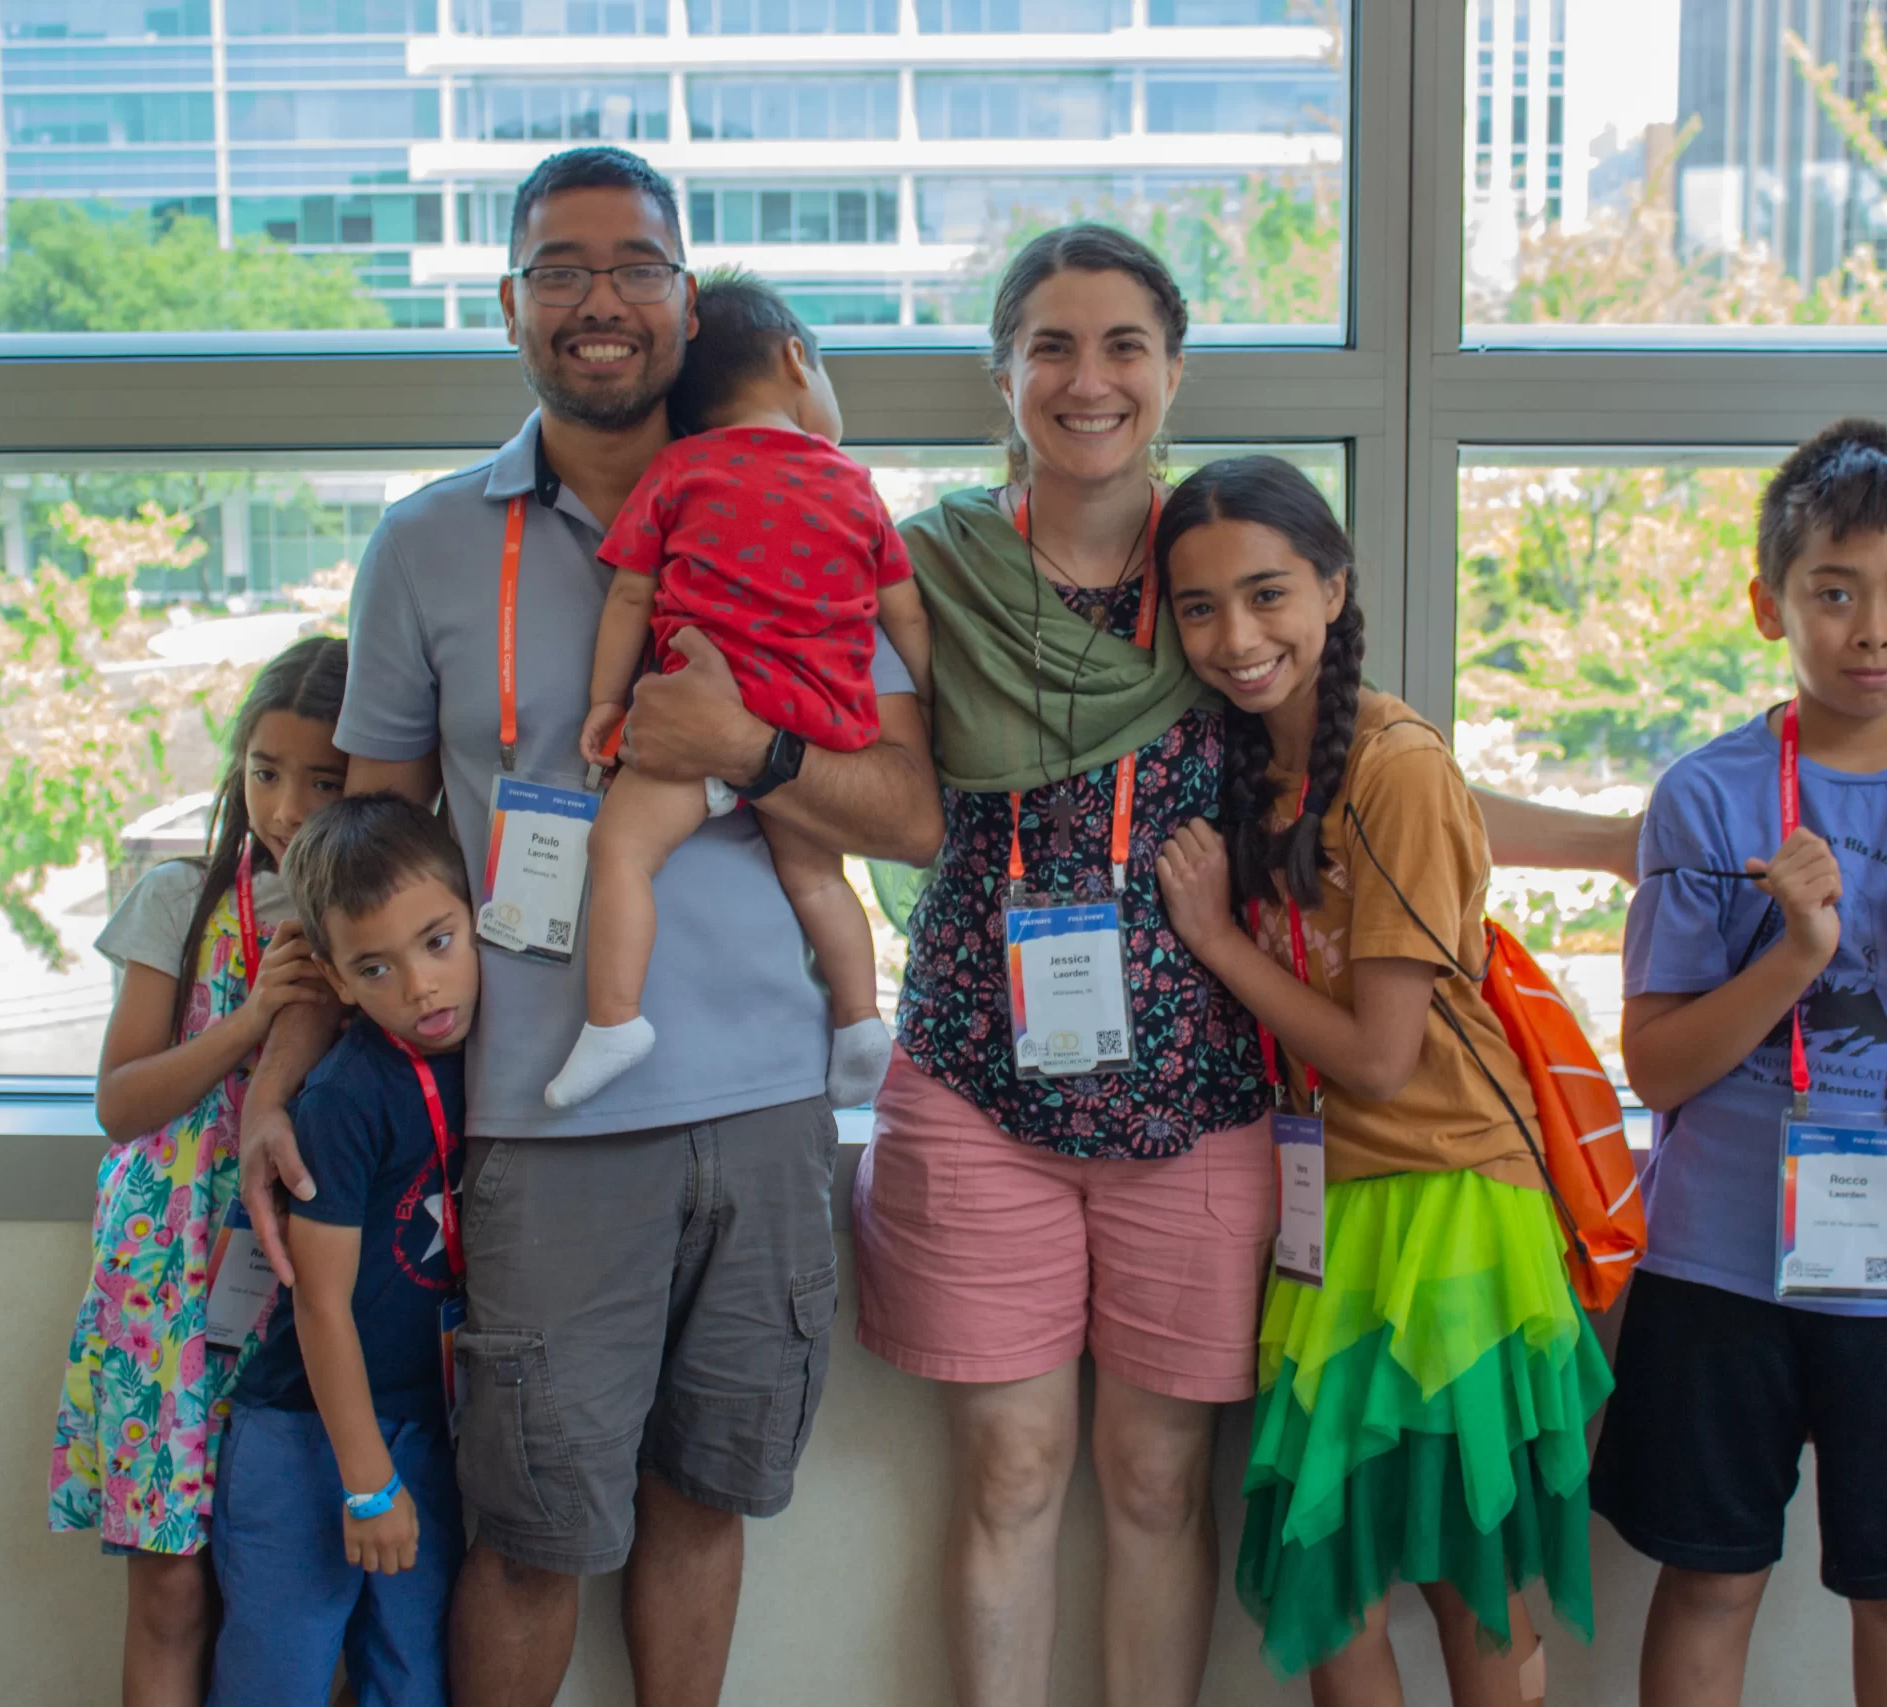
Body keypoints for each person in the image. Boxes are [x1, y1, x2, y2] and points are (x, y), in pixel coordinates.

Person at [851, 224, 1642, 1707]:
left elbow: (1377, 775)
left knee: (1161, 1474)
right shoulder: (930, 572)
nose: (1089, 380)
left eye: (1124, 345)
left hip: (1210, 1100)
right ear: (1004, 372)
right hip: (978, 1070)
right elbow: (865, 779)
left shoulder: (1218, 566)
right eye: (1053, 346)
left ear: (1173, 370)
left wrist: (1612, 837)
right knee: (1011, 1465)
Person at [236, 146, 941, 1707]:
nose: (599, 299)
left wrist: (745, 752)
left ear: (689, 306)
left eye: (635, 266)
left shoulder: (820, 511)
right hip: (539, 1121)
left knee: (705, 1497)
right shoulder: (426, 545)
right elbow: (357, 861)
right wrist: (280, 1080)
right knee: (535, 1528)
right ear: (509, 306)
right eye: (560, 268)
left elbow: (914, 814)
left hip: (768, 1102)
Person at [1596, 419, 1887, 1707]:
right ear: (1769, 606)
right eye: (1834, 593)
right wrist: (1792, 960)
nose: (1873, 630)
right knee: (1710, 1580)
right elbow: (1656, 1067)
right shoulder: (1706, 798)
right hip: (1718, 1270)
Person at [1150, 455, 1611, 1706]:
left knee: (1473, 1582)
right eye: (1200, 607)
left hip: (1451, 1205)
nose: (1237, 637)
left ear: (1333, 588)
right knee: (1332, 1579)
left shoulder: (1392, 760)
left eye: (1267, 595)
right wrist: (1607, 840)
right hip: (1331, 1212)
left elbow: (1375, 1053)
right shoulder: (1264, 757)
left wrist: (1217, 940)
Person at [554, 270, 933, 1110]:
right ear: (797, 360)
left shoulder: (680, 468)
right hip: (813, 723)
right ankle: (861, 1024)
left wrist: (606, 703)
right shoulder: (852, 484)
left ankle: (614, 1020)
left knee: (621, 853)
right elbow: (902, 608)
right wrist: (932, 692)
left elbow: (629, 594)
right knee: (819, 881)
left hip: (690, 716)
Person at [50, 636, 347, 1707]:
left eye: (324, 780)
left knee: (296, 1589)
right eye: (266, 771)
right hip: (164, 1289)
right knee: (172, 1590)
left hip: (304, 1285)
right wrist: (254, 1021)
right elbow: (120, 1101)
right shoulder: (179, 899)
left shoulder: (373, 919)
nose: (287, 806)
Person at [208, 794, 475, 1707]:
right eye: (377, 965)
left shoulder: (487, 1055)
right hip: (306, 1436)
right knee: (276, 1676)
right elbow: (320, 1304)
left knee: (412, 1677)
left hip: (422, 1425)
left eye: (438, 942)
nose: (422, 987)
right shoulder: (344, 1097)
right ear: (335, 975)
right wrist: (366, 1483)